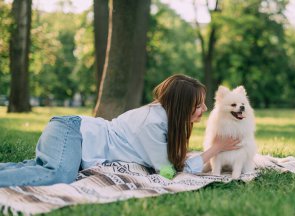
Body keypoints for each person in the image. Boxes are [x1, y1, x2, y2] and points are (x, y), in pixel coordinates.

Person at [0, 74, 240, 187]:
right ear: (181, 107)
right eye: (198, 105)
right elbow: (169, 172)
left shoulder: (161, 118)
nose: (204, 109)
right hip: (71, 132)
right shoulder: (153, 124)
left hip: (69, 133)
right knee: (58, 176)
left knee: (37, 169)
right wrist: (214, 149)